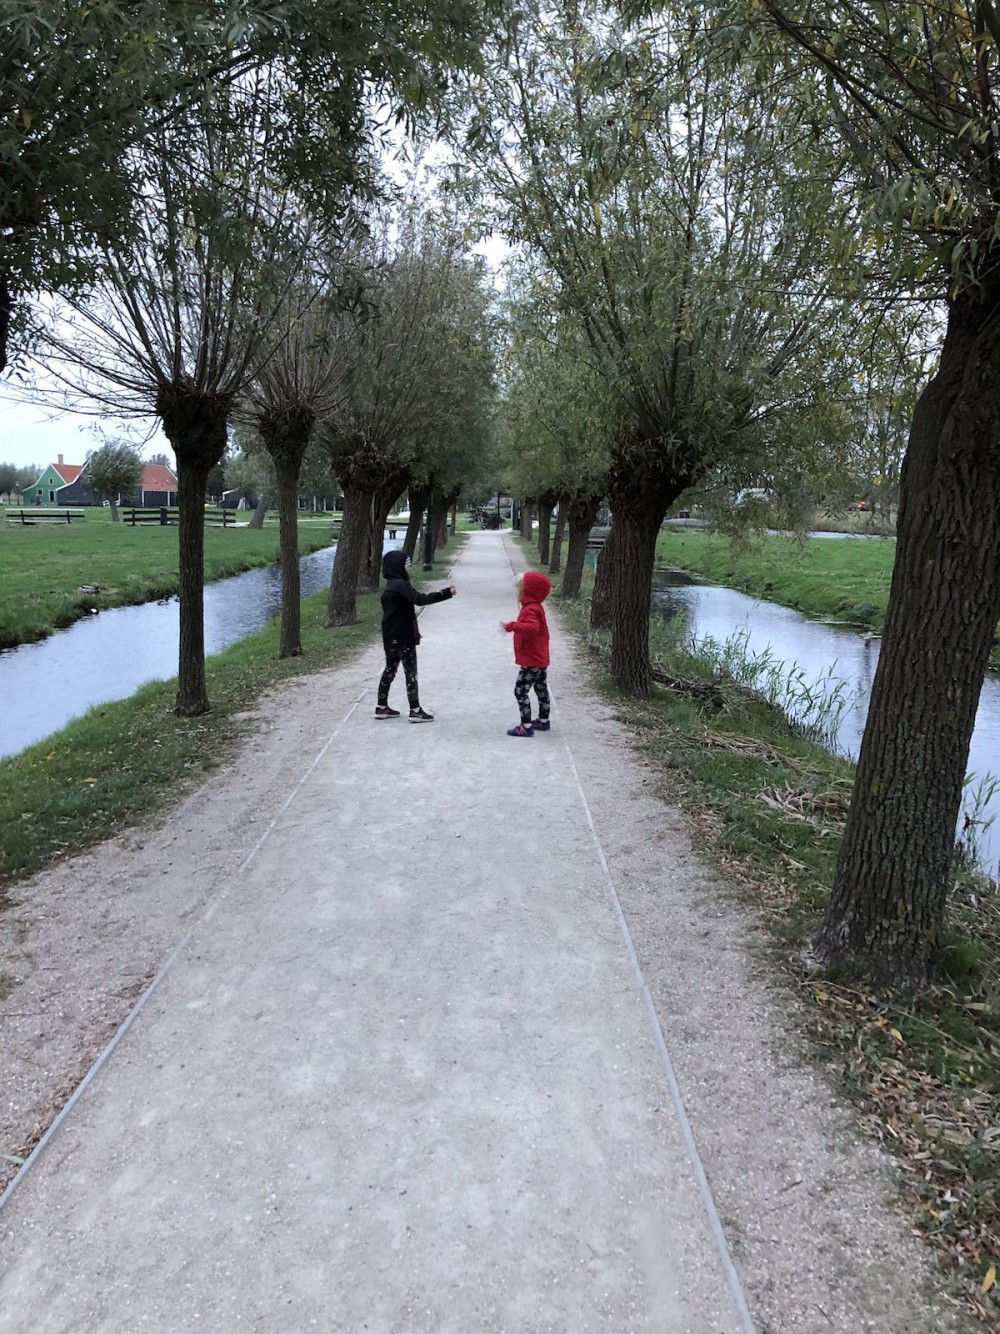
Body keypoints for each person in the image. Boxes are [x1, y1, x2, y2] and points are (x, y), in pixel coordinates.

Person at [375, 549, 456, 722]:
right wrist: (446, 593)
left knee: (390, 669)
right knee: (410, 671)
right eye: (407, 566)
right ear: (399, 567)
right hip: (403, 635)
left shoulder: (390, 585)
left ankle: (381, 707)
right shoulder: (401, 585)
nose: (409, 569)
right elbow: (420, 599)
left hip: (389, 635)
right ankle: (415, 710)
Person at [499, 570, 551, 737]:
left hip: (532, 659)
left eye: (519, 588)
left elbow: (532, 628)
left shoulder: (531, 609)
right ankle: (543, 720)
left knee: (520, 690)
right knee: (541, 688)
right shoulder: (535, 607)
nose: (517, 592)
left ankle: (526, 726)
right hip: (539, 658)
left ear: (527, 590)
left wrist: (512, 626)